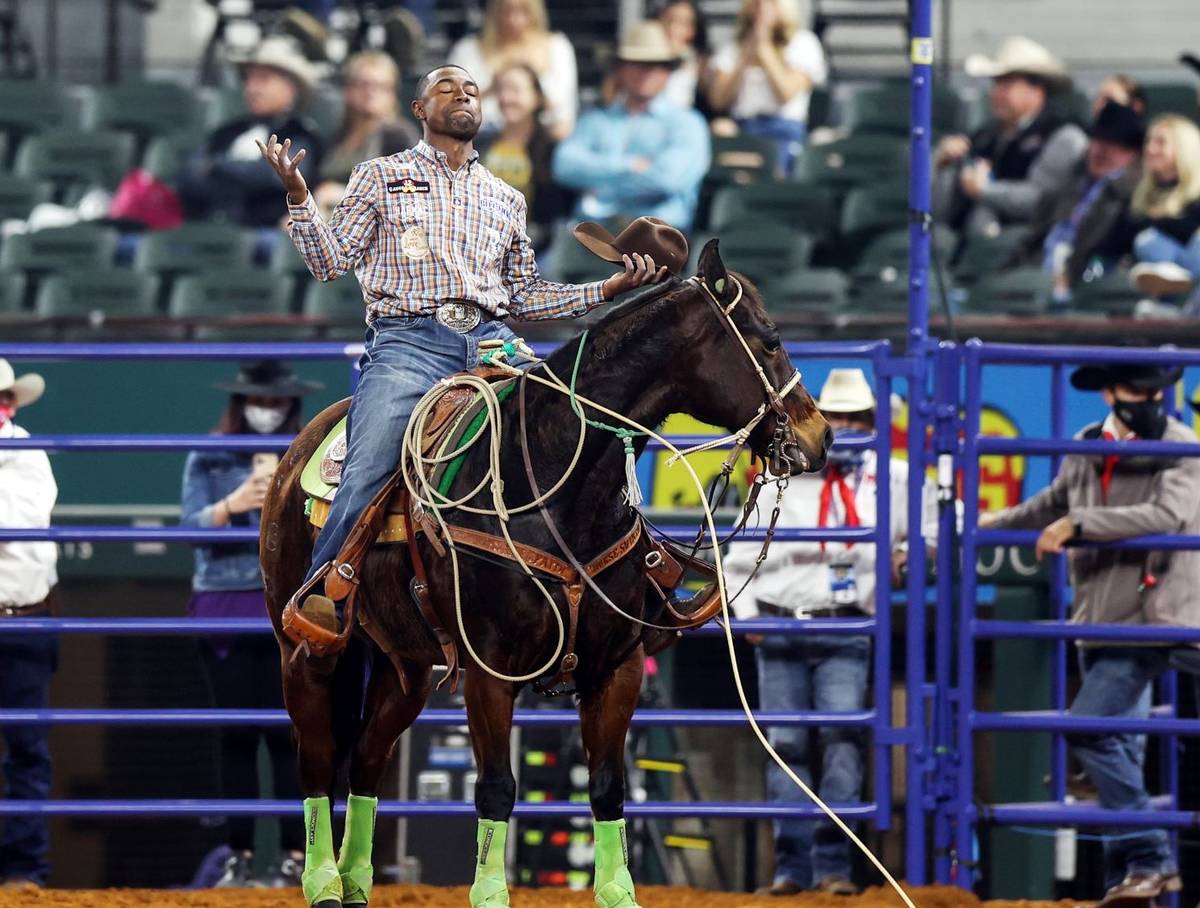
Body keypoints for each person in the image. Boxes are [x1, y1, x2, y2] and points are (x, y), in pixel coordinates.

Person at [257, 64, 668, 646]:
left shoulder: (506, 198)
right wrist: (300, 198)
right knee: (371, 459)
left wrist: (605, 291)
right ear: (419, 109)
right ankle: (326, 592)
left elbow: (525, 293)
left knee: (595, 427)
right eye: (446, 89)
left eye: (472, 89)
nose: (463, 95)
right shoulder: (379, 176)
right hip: (408, 340)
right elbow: (329, 264)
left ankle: (640, 571)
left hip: (494, 340)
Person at [981, 361, 1200, 907]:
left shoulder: (1181, 443)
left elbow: (1168, 514)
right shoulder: (1085, 445)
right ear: (1109, 393)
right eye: (1136, 389)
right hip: (1102, 618)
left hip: (1157, 618)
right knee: (1115, 743)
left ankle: (1150, 858)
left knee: (1090, 728)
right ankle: (1133, 879)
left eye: (1155, 390)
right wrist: (982, 525)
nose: (1147, 399)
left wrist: (1079, 526)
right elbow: (1052, 504)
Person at [726, 369, 935, 898]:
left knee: (842, 745)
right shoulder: (776, 477)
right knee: (788, 745)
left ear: (872, 423)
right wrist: (748, 617)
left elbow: (930, 534)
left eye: (855, 418)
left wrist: (913, 555)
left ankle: (832, 867)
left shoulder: (898, 478)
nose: (843, 426)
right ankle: (793, 868)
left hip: (845, 624)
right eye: (836, 416)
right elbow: (737, 558)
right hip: (779, 623)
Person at [180, 361, 322, 888]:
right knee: (236, 734)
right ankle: (237, 852)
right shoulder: (208, 455)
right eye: (259, 402)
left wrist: (284, 497)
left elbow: (329, 525)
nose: (268, 410)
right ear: (241, 404)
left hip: (290, 602)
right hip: (224, 604)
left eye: (277, 402)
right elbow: (188, 529)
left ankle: (293, 854)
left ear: (291, 405)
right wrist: (235, 503)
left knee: (295, 734)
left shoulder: (313, 451)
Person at [553, 22, 711, 230]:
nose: (645, 72)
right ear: (619, 68)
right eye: (636, 63)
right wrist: (628, 165)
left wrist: (599, 186)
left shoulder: (687, 123)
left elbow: (667, 180)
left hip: (658, 238)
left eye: (656, 64)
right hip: (592, 235)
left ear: (668, 71)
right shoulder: (595, 120)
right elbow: (563, 165)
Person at [934, 36, 1088, 237]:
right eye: (997, 83)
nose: (997, 93)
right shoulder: (984, 137)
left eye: (1007, 84)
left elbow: (1041, 199)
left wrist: (986, 191)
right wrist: (943, 166)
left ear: (1037, 90)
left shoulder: (1063, 137)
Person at [0, 360, 58, 889]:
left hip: (25, 618)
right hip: (25, 617)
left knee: (27, 750)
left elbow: (16, 524)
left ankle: (21, 869)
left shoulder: (27, 453)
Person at [179, 36, 323, 229]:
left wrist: (216, 167)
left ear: (290, 89)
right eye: (249, 79)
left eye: (263, 79)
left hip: (265, 232)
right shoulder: (227, 131)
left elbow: (279, 177)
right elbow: (190, 176)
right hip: (210, 226)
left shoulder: (300, 134)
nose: (252, 88)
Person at [1006, 101, 1144, 300]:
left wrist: (1069, 278)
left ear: (1133, 155)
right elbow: (1030, 242)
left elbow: (1100, 256)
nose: (1102, 151)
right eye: (1098, 141)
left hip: (1081, 289)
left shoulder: (1130, 199)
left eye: (1115, 145)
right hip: (1038, 282)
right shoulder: (1066, 187)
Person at [706, 0, 826, 174]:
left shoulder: (803, 42)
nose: (761, 9)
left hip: (784, 130)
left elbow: (785, 93)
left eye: (770, 3)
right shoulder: (733, 47)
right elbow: (718, 100)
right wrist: (746, 55)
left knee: (775, 168)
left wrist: (764, 49)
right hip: (743, 128)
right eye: (756, 3)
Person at [448, 0, 578, 139]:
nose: (513, 20)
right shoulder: (466, 51)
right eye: (505, 11)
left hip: (542, 144)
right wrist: (490, 91)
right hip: (478, 143)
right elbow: (450, 109)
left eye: (523, 10)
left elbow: (565, 113)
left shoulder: (558, 48)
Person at [477, 64, 573, 253]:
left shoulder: (551, 148)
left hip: (534, 246)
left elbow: (556, 214)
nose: (506, 98)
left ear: (537, 97)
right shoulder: (478, 143)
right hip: (480, 241)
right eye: (501, 90)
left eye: (515, 90)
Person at [314, 51, 419, 204]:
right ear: (348, 90)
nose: (370, 92)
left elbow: (411, 189)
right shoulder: (340, 134)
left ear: (392, 94)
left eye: (381, 86)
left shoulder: (399, 136)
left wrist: (344, 194)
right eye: (363, 84)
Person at [1125, 115, 1200, 308]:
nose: (1150, 149)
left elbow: (1189, 229)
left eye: (1160, 142)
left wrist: (1155, 220)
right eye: (1149, 141)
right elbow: (1121, 236)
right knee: (1147, 241)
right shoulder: (1138, 195)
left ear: (1184, 149)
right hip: (1154, 271)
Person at [654, 0, 712, 112]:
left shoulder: (701, 63)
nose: (672, 27)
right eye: (668, 20)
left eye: (681, 22)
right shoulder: (640, 59)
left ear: (692, 31)